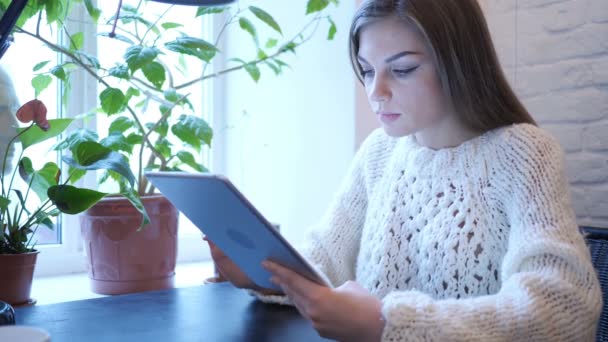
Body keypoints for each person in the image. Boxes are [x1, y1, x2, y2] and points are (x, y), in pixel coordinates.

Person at [206, 0, 603, 341]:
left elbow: (564, 309)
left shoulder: (524, 154)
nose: (375, 92)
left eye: (402, 69)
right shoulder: (379, 152)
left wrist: (387, 325)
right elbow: (324, 259)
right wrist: (261, 272)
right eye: (366, 69)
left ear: (458, 62)